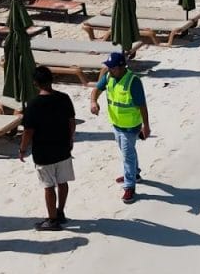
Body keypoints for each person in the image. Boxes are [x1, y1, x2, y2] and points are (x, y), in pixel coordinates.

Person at [19, 66, 77, 230]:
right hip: (63, 148)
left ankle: (52, 220)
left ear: (35, 83)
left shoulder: (33, 104)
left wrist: (22, 149)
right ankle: (60, 212)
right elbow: (71, 122)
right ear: (51, 80)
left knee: (48, 186)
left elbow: (28, 131)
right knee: (63, 182)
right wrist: (70, 139)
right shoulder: (64, 98)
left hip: (43, 152)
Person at [89, 53, 149, 203]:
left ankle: (130, 186)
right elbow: (96, 90)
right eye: (108, 67)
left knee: (127, 156)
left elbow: (142, 105)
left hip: (130, 126)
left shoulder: (133, 82)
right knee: (127, 150)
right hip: (116, 123)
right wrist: (93, 102)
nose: (109, 70)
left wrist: (146, 126)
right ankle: (134, 173)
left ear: (122, 67)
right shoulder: (109, 77)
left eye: (112, 68)